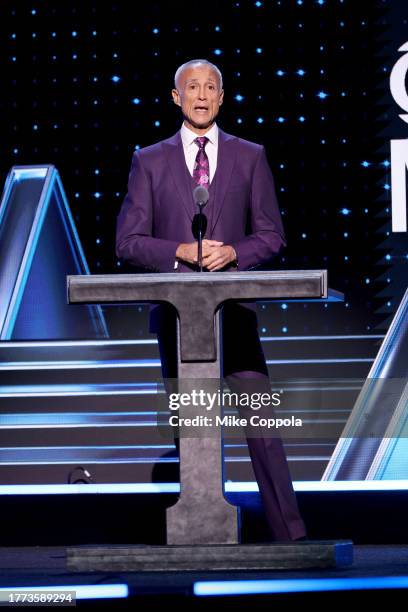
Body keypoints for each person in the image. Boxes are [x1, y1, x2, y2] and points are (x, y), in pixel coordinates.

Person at [116, 59, 306, 541]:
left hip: (235, 314)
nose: (201, 95)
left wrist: (234, 253)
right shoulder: (150, 160)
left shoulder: (250, 156)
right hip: (180, 318)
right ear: (175, 97)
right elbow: (129, 240)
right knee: (192, 428)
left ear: (222, 97)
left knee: (262, 423)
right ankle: (196, 533)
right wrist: (179, 251)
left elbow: (271, 234)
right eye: (192, 87)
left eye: (210, 88)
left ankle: (291, 535)